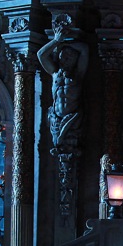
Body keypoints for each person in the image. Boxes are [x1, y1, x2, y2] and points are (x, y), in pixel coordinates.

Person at [37, 13, 89, 152]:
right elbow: (41, 55)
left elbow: (85, 49)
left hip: (72, 118)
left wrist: (65, 42)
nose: (64, 60)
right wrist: (56, 41)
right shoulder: (55, 73)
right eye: (62, 57)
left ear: (75, 60)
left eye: (68, 57)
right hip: (56, 119)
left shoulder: (78, 74)